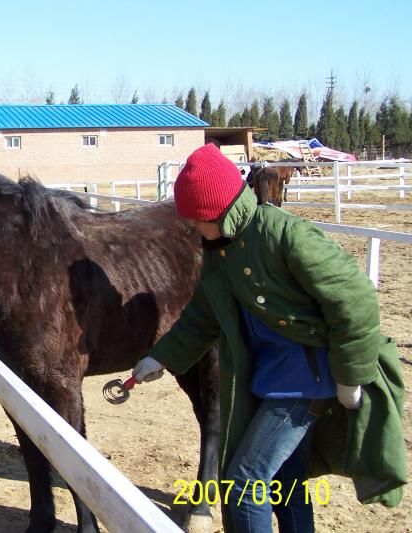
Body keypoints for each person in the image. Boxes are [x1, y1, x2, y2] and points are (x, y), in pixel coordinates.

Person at [131, 144, 406, 532]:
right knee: (286, 480)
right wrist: (161, 358)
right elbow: (203, 315)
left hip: (308, 378)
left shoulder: (284, 235)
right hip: (271, 374)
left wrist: (350, 374)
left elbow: (355, 297)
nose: (192, 228)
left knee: (244, 484)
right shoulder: (219, 249)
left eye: (196, 220)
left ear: (218, 211)